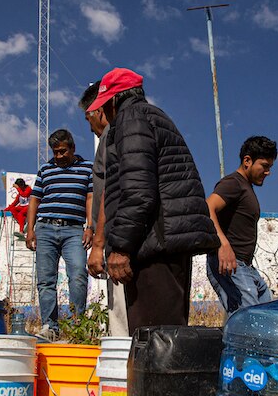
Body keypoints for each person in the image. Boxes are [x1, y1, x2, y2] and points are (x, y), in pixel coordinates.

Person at [87, 67, 219, 334]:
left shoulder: (131, 119)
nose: (105, 115)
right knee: (166, 337)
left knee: (155, 341)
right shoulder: (150, 117)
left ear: (114, 100)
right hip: (161, 242)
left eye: (105, 107)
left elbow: (138, 192)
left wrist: (121, 247)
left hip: (154, 245)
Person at [25, 129, 93, 338]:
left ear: (72, 148)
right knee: (45, 280)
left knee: (78, 276)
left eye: (63, 151)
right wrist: (30, 230)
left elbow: (90, 198)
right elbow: (34, 199)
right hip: (45, 229)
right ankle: (50, 327)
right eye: (55, 152)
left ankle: (76, 326)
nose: (59, 156)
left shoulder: (87, 168)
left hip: (74, 230)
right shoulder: (45, 169)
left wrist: (90, 227)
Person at [206, 136, 277, 314]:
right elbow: (207, 207)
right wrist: (223, 244)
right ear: (247, 161)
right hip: (230, 264)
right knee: (248, 322)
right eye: (264, 166)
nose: (268, 172)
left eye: (270, 167)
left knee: (264, 313)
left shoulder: (245, 187)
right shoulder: (233, 183)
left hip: (245, 267)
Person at [79, 81, 129, 337]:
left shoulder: (112, 135)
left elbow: (111, 190)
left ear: (98, 111)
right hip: (117, 236)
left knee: (121, 322)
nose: (90, 128)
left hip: (117, 239)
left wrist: (99, 244)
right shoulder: (119, 136)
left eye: (88, 118)